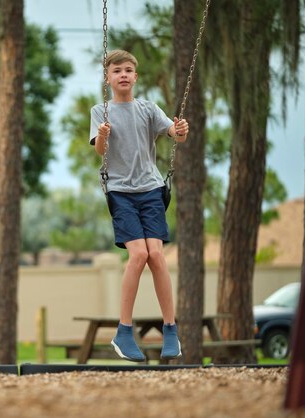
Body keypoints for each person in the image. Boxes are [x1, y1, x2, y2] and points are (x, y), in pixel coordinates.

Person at [89, 50, 189, 362]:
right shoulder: (100, 111)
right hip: (120, 191)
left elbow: (173, 133)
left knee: (157, 256)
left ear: (136, 77)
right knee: (140, 255)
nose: (123, 74)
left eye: (128, 70)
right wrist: (103, 135)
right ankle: (123, 331)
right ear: (108, 78)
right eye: (117, 70)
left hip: (151, 189)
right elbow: (100, 150)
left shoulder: (147, 108)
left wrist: (179, 130)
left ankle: (170, 329)